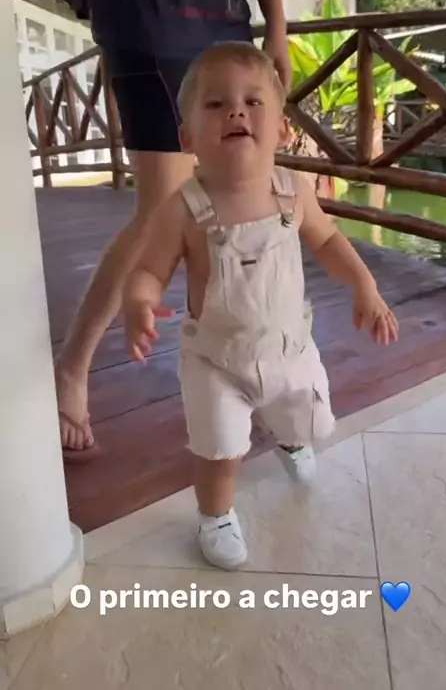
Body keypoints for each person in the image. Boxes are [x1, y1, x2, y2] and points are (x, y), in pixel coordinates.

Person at [0, 0, 292, 460]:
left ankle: (248, 369)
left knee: (239, 203)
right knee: (165, 207)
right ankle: (72, 367)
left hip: (225, 15)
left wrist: (277, 26)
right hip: (144, 8)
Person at [123, 42, 399, 570]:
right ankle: (215, 516)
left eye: (253, 102)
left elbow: (328, 241)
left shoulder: (293, 190)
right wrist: (139, 300)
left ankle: (289, 440)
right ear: (187, 138)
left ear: (281, 130)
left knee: (308, 422)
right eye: (216, 104)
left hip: (289, 350)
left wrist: (364, 285)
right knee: (219, 447)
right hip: (216, 361)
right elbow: (148, 270)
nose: (236, 112)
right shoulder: (183, 208)